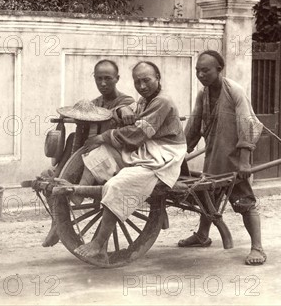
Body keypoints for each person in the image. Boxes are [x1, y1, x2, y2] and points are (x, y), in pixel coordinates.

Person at [73, 61, 186, 262]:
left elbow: (137, 133)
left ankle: (98, 243)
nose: (142, 86)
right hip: (147, 148)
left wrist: (103, 136)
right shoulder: (143, 101)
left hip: (164, 156)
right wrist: (120, 111)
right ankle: (79, 193)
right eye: (137, 81)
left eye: (147, 80)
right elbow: (129, 117)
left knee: (119, 183)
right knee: (100, 152)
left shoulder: (163, 101)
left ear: (158, 77)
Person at [177, 50, 265, 265]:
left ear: (219, 69)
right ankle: (202, 236)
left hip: (235, 158)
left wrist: (244, 161)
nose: (200, 74)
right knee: (208, 197)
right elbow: (194, 126)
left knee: (244, 202)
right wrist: (180, 152)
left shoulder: (235, 91)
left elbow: (247, 124)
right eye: (197, 70)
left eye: (205, 70)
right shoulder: (203, 94)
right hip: (213, 155)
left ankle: (258, 248)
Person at [41, 59, 135, 247]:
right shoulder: (95, 103)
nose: (103, 83)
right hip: (90, 152)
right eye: (98, 78)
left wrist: (121, 110)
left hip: (114, 157)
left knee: (94, 154)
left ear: (117, 78)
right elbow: (81, 138)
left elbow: (128, 115)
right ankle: (57, 223)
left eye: (108, 78)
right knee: (47, 176)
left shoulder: (126, 102)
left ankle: (76, 195)